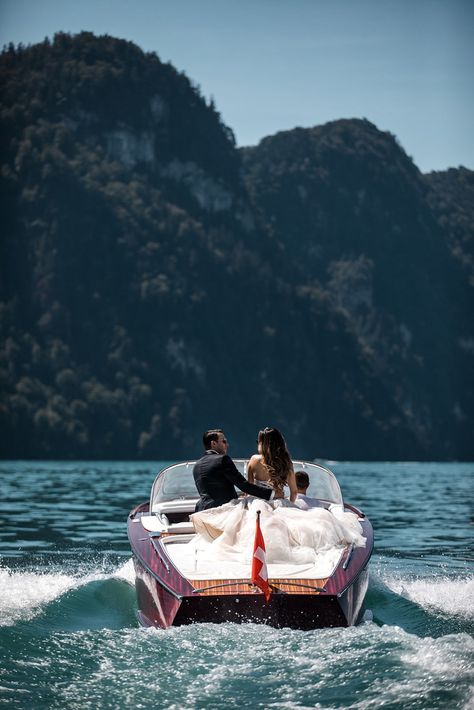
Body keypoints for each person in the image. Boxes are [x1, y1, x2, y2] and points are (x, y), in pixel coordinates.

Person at [193, 429, 274, 512]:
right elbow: (244, 486)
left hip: (202, 510)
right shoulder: (222, 459)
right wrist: (271, 494)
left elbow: (213, 491)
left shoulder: (197, 465)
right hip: (224, 510)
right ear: (213, 443)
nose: (227, 445)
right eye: (224, 441)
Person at [247, 427, 298, 502]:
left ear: (262, 444)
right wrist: (289, 505)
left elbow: (249, 488)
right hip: (279, 504)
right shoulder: (286, 462)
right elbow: (294, 492)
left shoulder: (254, 459)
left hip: (258, 503)